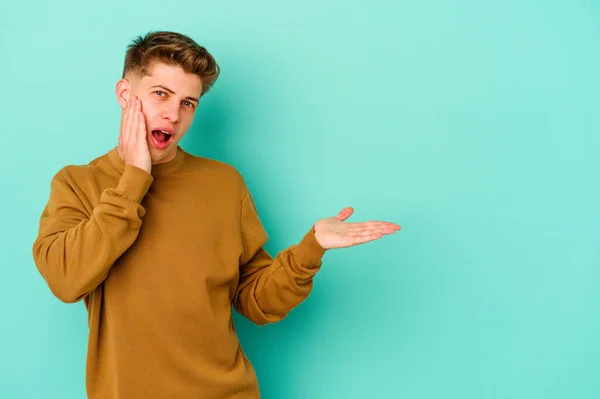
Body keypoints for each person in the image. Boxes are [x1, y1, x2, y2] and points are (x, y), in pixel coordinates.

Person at [32, 31, 400, 399]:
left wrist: (312, 248)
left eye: (188, 102)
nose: (173, 114)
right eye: (160, 94)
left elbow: (256, 301)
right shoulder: (78, 184)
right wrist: (135, 179)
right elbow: (67, 280)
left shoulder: (224, 184)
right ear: (126, 95)